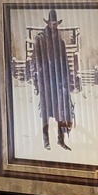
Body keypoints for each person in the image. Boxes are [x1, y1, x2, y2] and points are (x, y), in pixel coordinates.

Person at [30, 8, 74, 151]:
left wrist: (68, 80)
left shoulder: (60, 42)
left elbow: (65, 63)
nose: (54, 26)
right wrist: (36, 80)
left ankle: (61, 140)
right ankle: (45, 141)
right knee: (45, 111)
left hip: (59, 82)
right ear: (48, 24)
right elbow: (34, 61)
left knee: (61, 110)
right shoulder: (40, 39)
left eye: (56, 23)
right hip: (45, 82)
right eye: (51, 23)